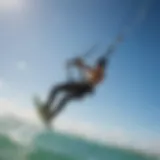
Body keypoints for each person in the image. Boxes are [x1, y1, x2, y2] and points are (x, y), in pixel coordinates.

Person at [42, 56, 108, 121]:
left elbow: (95, 76)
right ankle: (46, 108)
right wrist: (77, 63)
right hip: (79, 85)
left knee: (65, 99)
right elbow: (86, 69)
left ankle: (50, 116)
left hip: (84, 90)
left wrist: (81, 64)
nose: (98, 66)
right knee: (56, 88)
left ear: (103, 67)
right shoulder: (94, 70)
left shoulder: (101, 74)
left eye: (100, 66)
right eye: (98, 64)